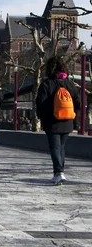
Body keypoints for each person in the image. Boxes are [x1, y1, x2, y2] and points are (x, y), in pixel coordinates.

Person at [35, 56, 81, 185]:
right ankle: (60, 172)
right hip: (67, 121)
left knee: (54, 147)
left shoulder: (47, 83)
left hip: (52, 121)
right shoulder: (69, 84)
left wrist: (42, 118)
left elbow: (40, 103)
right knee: (61, 147)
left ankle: (58, 173)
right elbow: (78, 102)